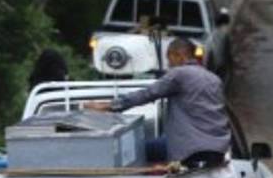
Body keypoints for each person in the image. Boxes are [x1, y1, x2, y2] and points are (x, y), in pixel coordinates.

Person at [92, 37, 231, 168]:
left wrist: (111, 105)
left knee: (137, 150)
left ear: (177, 55)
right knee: (157, 143)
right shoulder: (214, 79)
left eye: (169, 58)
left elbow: (148, 94)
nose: (169, 64)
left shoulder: (179, 74)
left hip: (191, 149)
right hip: (218, 148)